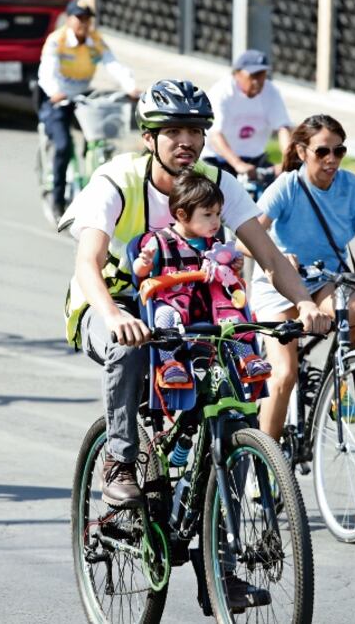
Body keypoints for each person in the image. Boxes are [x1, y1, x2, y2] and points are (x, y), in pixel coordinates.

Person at [60, 78, 330, 508]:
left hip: (188, 308)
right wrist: (114, 316)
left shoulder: (217, 182)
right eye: (172, 132)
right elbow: (87, 263)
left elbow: (271, 258)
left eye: (195, 131)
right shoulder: (117, 180)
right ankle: (121, 459)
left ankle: (224, 533)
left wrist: (304, 302)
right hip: (114, 302)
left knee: (234, 386)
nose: (186, 141)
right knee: (127, 349)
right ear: (148, 138)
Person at [245, 114, 355, 440]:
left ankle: (339, 381)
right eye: (322, 152)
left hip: (323, 280)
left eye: (339, 152)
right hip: (279, 283)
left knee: (354, 310)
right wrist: (280, 258)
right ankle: (265, 466)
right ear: (301, 152)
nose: (331, 160)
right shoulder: (287, 187)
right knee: (284, 376)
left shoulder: (353, 188)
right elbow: (246, 239)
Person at [132, 169, 271, 385]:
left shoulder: (214, 245)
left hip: (209, 306)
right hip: (174, 303)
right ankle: (170, 364)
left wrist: (234, 264)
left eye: (217, 214)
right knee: (164, 317)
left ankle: (247, 358)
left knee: (233, 317)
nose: (215, 221)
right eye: (208, 215)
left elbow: (226, 275)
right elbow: (139, 273)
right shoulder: (160, 242)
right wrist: (145, 262)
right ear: (181, 215)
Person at [37, 0, 138, 222]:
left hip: (83, 95)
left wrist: (131, 87)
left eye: (87, 19)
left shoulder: (95, 40)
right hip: (58, 97)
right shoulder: (57, 40)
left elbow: (113, 64)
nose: (83, 23)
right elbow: (46, 72)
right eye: (79, 18)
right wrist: (55, 92)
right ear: (69, 19)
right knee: (63, 146)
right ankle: (58, 200)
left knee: (100, 137)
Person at [202, 49, 292, 182]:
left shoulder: (271, 91)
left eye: (261, 74)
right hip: (218, 159)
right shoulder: (221, 92)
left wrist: (287, 161)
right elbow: (215, 135)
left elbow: (283, 127)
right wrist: (237, 164)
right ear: (237, 74)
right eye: (253, 75)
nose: (257, 81)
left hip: (254, 159)